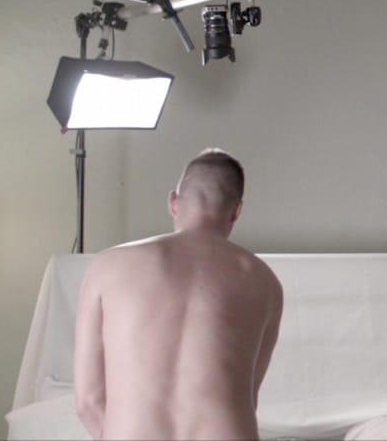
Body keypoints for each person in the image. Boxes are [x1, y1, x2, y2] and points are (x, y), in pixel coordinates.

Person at [73, 149, 284, 440]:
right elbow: (249, 397)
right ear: (236, 211)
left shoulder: (107, 266)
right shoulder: (264, 281)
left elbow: (87, 402)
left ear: (173, 202)